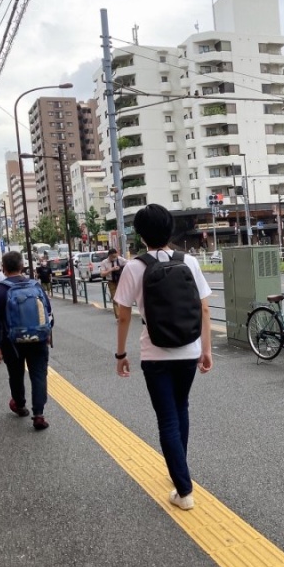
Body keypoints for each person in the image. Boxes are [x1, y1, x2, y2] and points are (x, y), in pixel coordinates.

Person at [114, 204, 212, 510]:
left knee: (167, 418)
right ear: (170, 230)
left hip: (154, 354)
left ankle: (183, 491)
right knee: (180, 409)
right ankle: (178, 472)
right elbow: (205, 308)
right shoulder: (190, 262)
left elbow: (123, 316)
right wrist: (206, 350)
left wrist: (120, 354)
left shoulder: (134, 267)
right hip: (189, 349)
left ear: (141, 235)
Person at [0, 251, 53, 430]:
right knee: (39, 375)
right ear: (22, 266)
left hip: (11, 342)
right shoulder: (35, 286)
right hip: (38, 339)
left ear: (3, 268)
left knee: (16, 374)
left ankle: (20, 404)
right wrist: (47, 333)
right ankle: (39, 414)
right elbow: (47, 312)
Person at [100, 247, 127, 320]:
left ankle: (124, 314)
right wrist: (111, 269)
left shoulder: (121, 259)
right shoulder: (104, 262)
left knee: (123, 298)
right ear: (109, 256)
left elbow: (129, 265)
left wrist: (121, 267)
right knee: (115, 299)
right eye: (113, 257)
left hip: (120, 281)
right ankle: (118, 317)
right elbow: (102, 274)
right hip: (111, 281)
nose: (114, 258)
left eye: (116, 256)